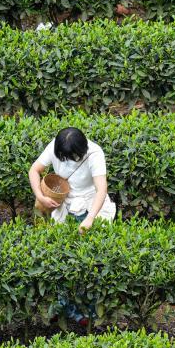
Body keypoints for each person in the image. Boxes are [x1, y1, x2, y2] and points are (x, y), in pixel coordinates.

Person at [28, 127, 117, 330]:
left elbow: (101, 189)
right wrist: (41, 196)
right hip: (64, 207)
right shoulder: (56, 145)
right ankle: (63, 307)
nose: (66, 160)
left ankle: (86, 313)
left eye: (71, 157)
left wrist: (90, 218)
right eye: (63, 156)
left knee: (88, 262)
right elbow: (34, 170)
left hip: (89, 206)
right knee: (62, 259)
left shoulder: (94, 154)